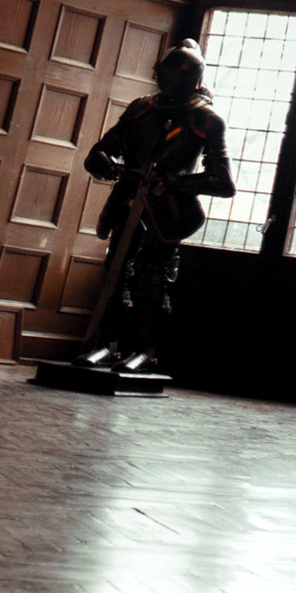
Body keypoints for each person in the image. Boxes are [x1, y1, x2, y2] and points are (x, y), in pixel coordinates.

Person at [74, 40, 235, 374]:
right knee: (115, 273)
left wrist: (174, 182)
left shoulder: (204, 119)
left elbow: (223, 182)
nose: (162, 78)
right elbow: (102, 150)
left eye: (172, 73)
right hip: (129, 197)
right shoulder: (141, 109)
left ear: (191, 77)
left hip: (168, 206)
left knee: (153, 278)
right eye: (162, 71)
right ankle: (107, 344)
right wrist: (105, 163)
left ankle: (144, 349)